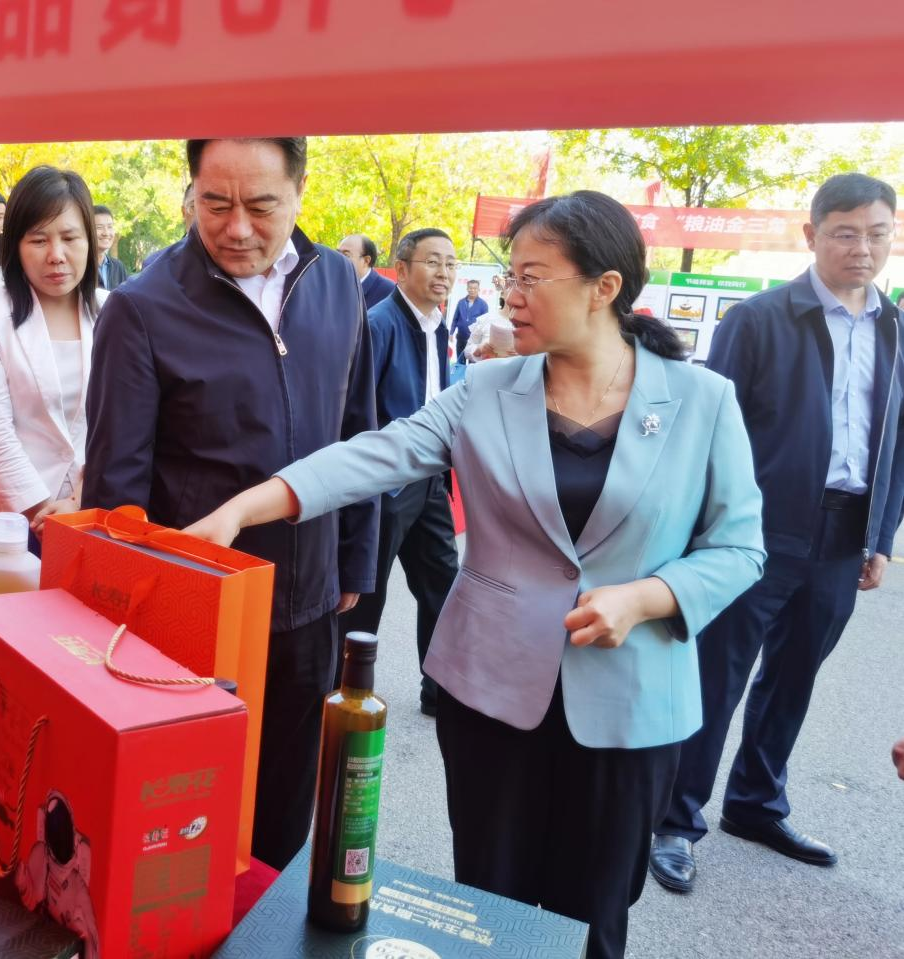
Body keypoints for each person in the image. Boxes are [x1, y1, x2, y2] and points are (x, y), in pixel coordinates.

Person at [184, 191, 765, 959]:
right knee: (486, 911)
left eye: (531, 277)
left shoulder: (701, 401)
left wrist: (648, 597)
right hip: (491, 694)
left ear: (605, 287)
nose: (508, 295)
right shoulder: (487, 390)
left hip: (630, 705)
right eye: (507, 276)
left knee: (595, 915)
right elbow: (376, 454)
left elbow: (739, 547)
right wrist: (242, 509)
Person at [84, 137, 379, 871]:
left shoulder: (336, 282)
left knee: (284, 805)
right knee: (185, 819)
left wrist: (355, 559)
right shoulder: (143, 308)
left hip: (310, 597)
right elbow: (116, 490)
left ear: (301, 190)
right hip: (195, 614)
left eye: (261, 205)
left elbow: (359, 434)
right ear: (191, 193)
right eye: (215, 203)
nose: (237, 228)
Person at [651, 173, 904, 892]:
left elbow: (897, 442)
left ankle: (756, 804)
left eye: (878, 234)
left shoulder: (895, 327)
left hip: (845, 533)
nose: (862, 248)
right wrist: (701, 534)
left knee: (794, 677)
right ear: (812, 235)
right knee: (717, 676)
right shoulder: (759, 320)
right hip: (755, 532)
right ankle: (674, 818)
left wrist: (881, 537)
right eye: (845, 233)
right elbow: (707, 435)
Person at [0, 165, 105, 544]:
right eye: (38, 240)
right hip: (3, 516)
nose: (56, 255)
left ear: (89, 240)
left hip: (87, 512)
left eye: (70, 237)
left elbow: (124, 426)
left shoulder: (113, 311)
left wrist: (80, 499)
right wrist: (43, 513)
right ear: (16, 245)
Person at [340, 228, 460, 716]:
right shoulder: (380, 324)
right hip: (387, 482)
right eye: (433, 262)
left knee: (444, 584)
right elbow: (357, 409)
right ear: (403, 269)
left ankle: (440, 692)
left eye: (450, 263)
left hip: (429, 478)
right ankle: (346, 697)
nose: (444, 272)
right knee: (367, 594)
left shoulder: (438, 325)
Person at [141, 182, 195, 270]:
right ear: (183, 212)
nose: (201, 216)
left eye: (214, 207)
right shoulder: (155, 266)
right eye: (193, 207)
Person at [337, 233, 396, 309]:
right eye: (337, 253)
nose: (338, 259)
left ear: (366, 261)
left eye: (346, 255)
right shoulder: (333, 285)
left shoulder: (389, 291)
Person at [451, 279, 490, 364]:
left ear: (478, 289)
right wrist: (451, 333)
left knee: (472, 363)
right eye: (470, 288)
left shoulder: (483, 304)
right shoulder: (461, 302)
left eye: (475, 288)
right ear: (467, 289)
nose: (472, 290)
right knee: (460, 362)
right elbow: (455, 318)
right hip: (461, 337)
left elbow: (485, 323)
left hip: (475, 340)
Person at [93, 204, 130, 291]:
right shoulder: (81, 267)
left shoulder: (118, 267)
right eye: (99, 227)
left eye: (110, 227)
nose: (106, 233)